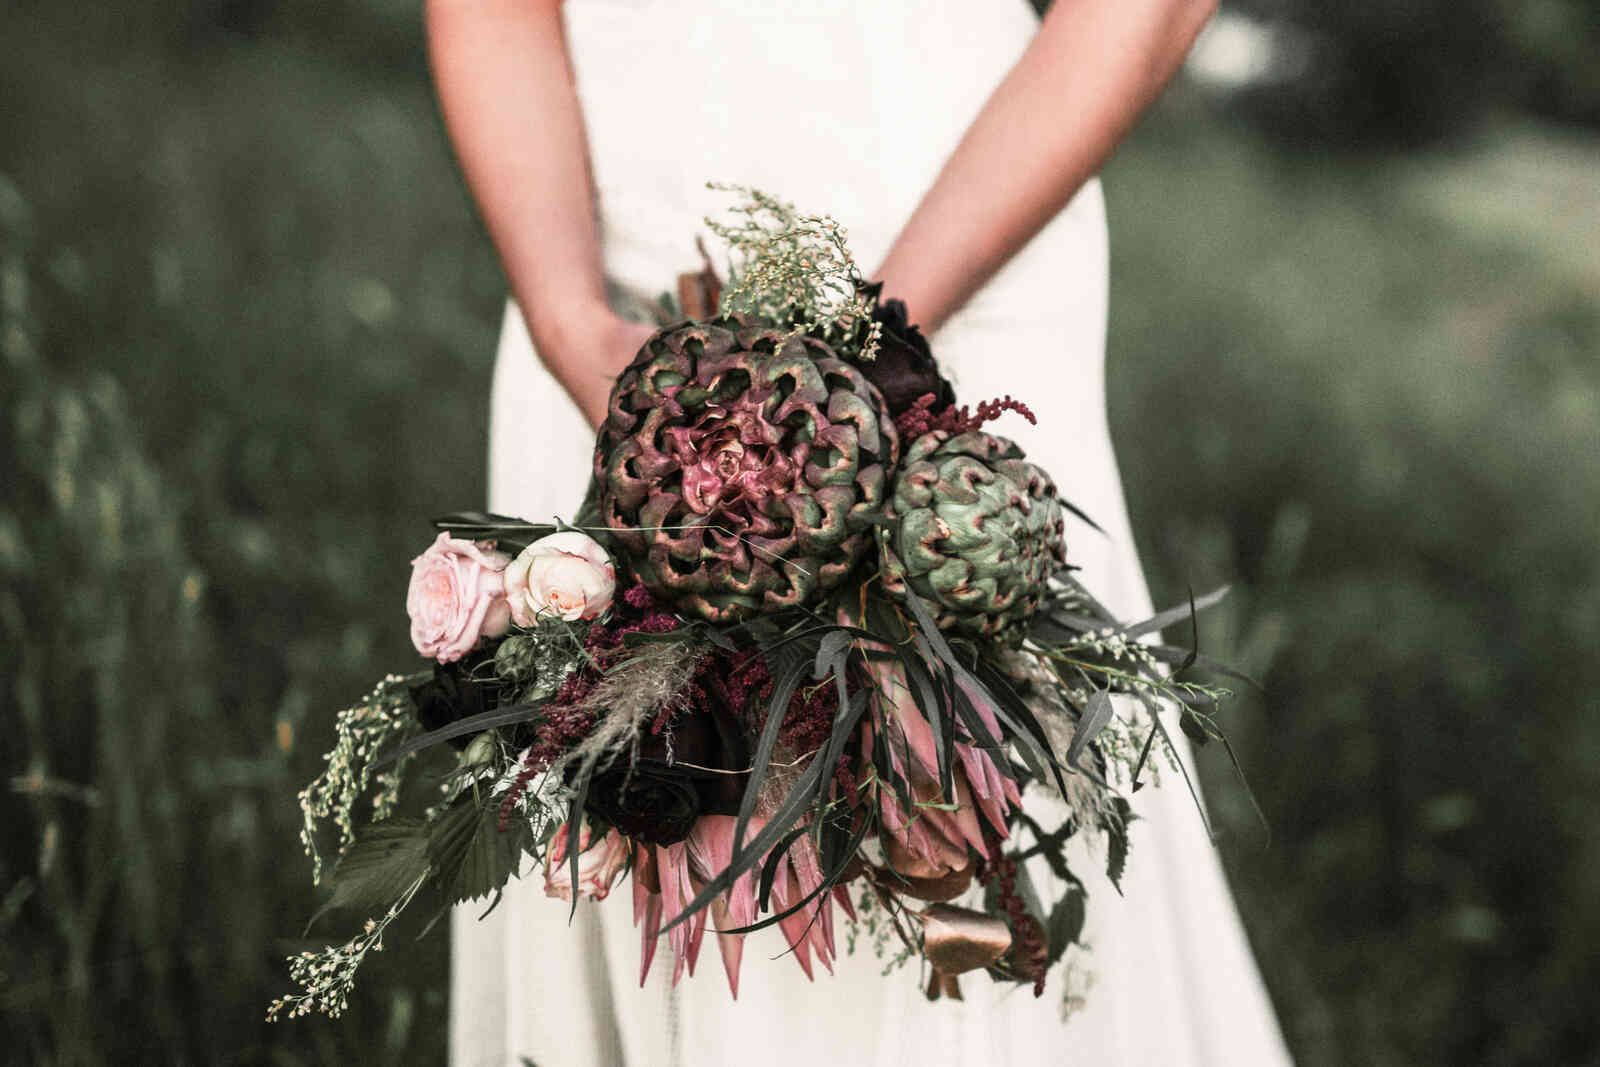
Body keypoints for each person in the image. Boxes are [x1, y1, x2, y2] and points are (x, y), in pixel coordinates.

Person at [429, 2, 1293, 1064]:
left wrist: (868, 356)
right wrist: (573, 325)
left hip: (958, 229)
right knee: (633, 775)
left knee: (947, 801)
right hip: (591, 264)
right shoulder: (586, 320)